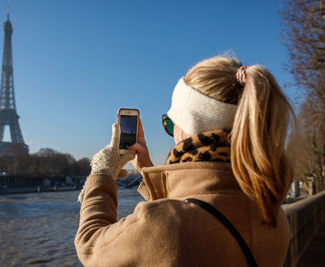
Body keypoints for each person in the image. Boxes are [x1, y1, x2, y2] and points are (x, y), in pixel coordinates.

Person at [75, 56, 295, 267]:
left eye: (171, 124)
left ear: (187, 129)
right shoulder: (273, 215)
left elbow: (90, 246)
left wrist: (102, 172)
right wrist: (147, 170)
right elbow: (197, 206)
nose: (171, 133)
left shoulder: (164, 225)